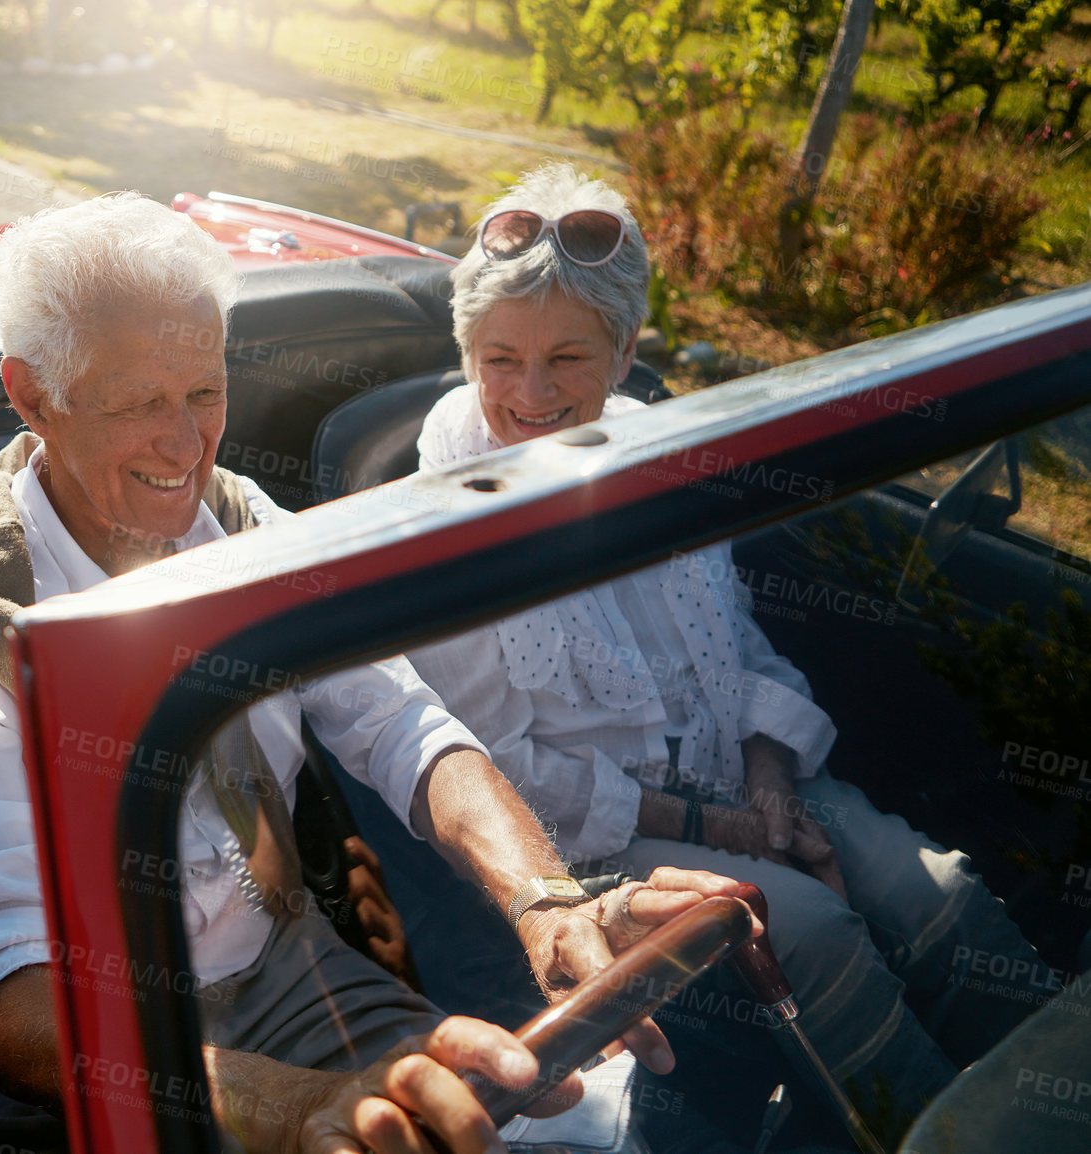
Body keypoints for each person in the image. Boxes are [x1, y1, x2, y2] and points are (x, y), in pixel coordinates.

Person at [0, 191, 750, 1153]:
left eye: (203, 393)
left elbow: (402, 723)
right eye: (142, 404)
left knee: (574, 1131)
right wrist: (287, 1109)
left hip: (299, 970)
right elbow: (5, 989)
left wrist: (548, 900)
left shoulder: (237, 516)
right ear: (32, 396)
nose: (187, 448)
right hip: (115, 1052)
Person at [398, 162, 1056, 1129]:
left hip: (745, 779)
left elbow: (740, 649)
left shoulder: (658, 456)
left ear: (623, 355)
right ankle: (942, 1134)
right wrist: (729, 834)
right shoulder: (438, 525)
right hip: (602, 836)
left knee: (939, 894)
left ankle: (1053, 1108)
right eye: (499, 359)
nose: (529, 394)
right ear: (466, 353)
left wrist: (771, 789)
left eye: (568, 360)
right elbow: (512, 778)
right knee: (816, 929)